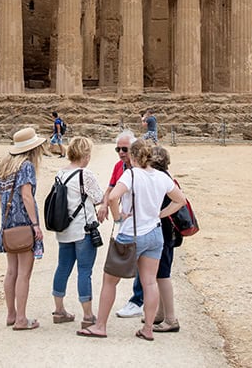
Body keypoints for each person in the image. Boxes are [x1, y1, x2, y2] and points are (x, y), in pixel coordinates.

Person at [77, 139, 185, 341]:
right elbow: (180, 200)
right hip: (155, 233)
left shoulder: (131, 174)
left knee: (110, 281)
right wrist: (160, 214)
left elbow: (111, 197)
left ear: (133, 157)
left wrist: (118, 217)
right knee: (150, 282)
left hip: (131, 234)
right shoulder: (161, 177)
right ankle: (149, 329)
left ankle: (100, 326)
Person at [0, 127, 47, 331]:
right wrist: (35, 224)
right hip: (25, 223)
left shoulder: (3, 166)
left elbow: (1, 198)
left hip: (8, 223)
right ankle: (22, 319)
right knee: (24, 273)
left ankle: (11, 314)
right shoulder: (26, 167)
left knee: (12, 271)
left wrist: (6, 222)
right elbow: (27, 196)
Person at [51, 137, 104, 329]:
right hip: (84, 230)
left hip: (64, 229)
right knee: (84, 271)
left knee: (63, 267)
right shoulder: (85, 175)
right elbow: (99, 197)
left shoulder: (60, 173)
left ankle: (59, 310)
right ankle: (88, 315)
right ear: (85, 154)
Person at [98, 130, 144, 319]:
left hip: (140, 223)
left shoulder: (142, 168)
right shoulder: (119, 166)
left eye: (124, 149)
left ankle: (138, 301)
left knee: (140, 263)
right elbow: (111, 187)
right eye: (118, 149)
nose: (121, 152)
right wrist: (104, 204)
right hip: (128, 223)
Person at [150, 145, 181, 333]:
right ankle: (161, 314)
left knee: (163, 275)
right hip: (165, 232)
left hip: (164, 231)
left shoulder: (162, 179)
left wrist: (160, 215)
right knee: (158, 274)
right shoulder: (165, 177)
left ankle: (171, 318)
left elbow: (180, 200)